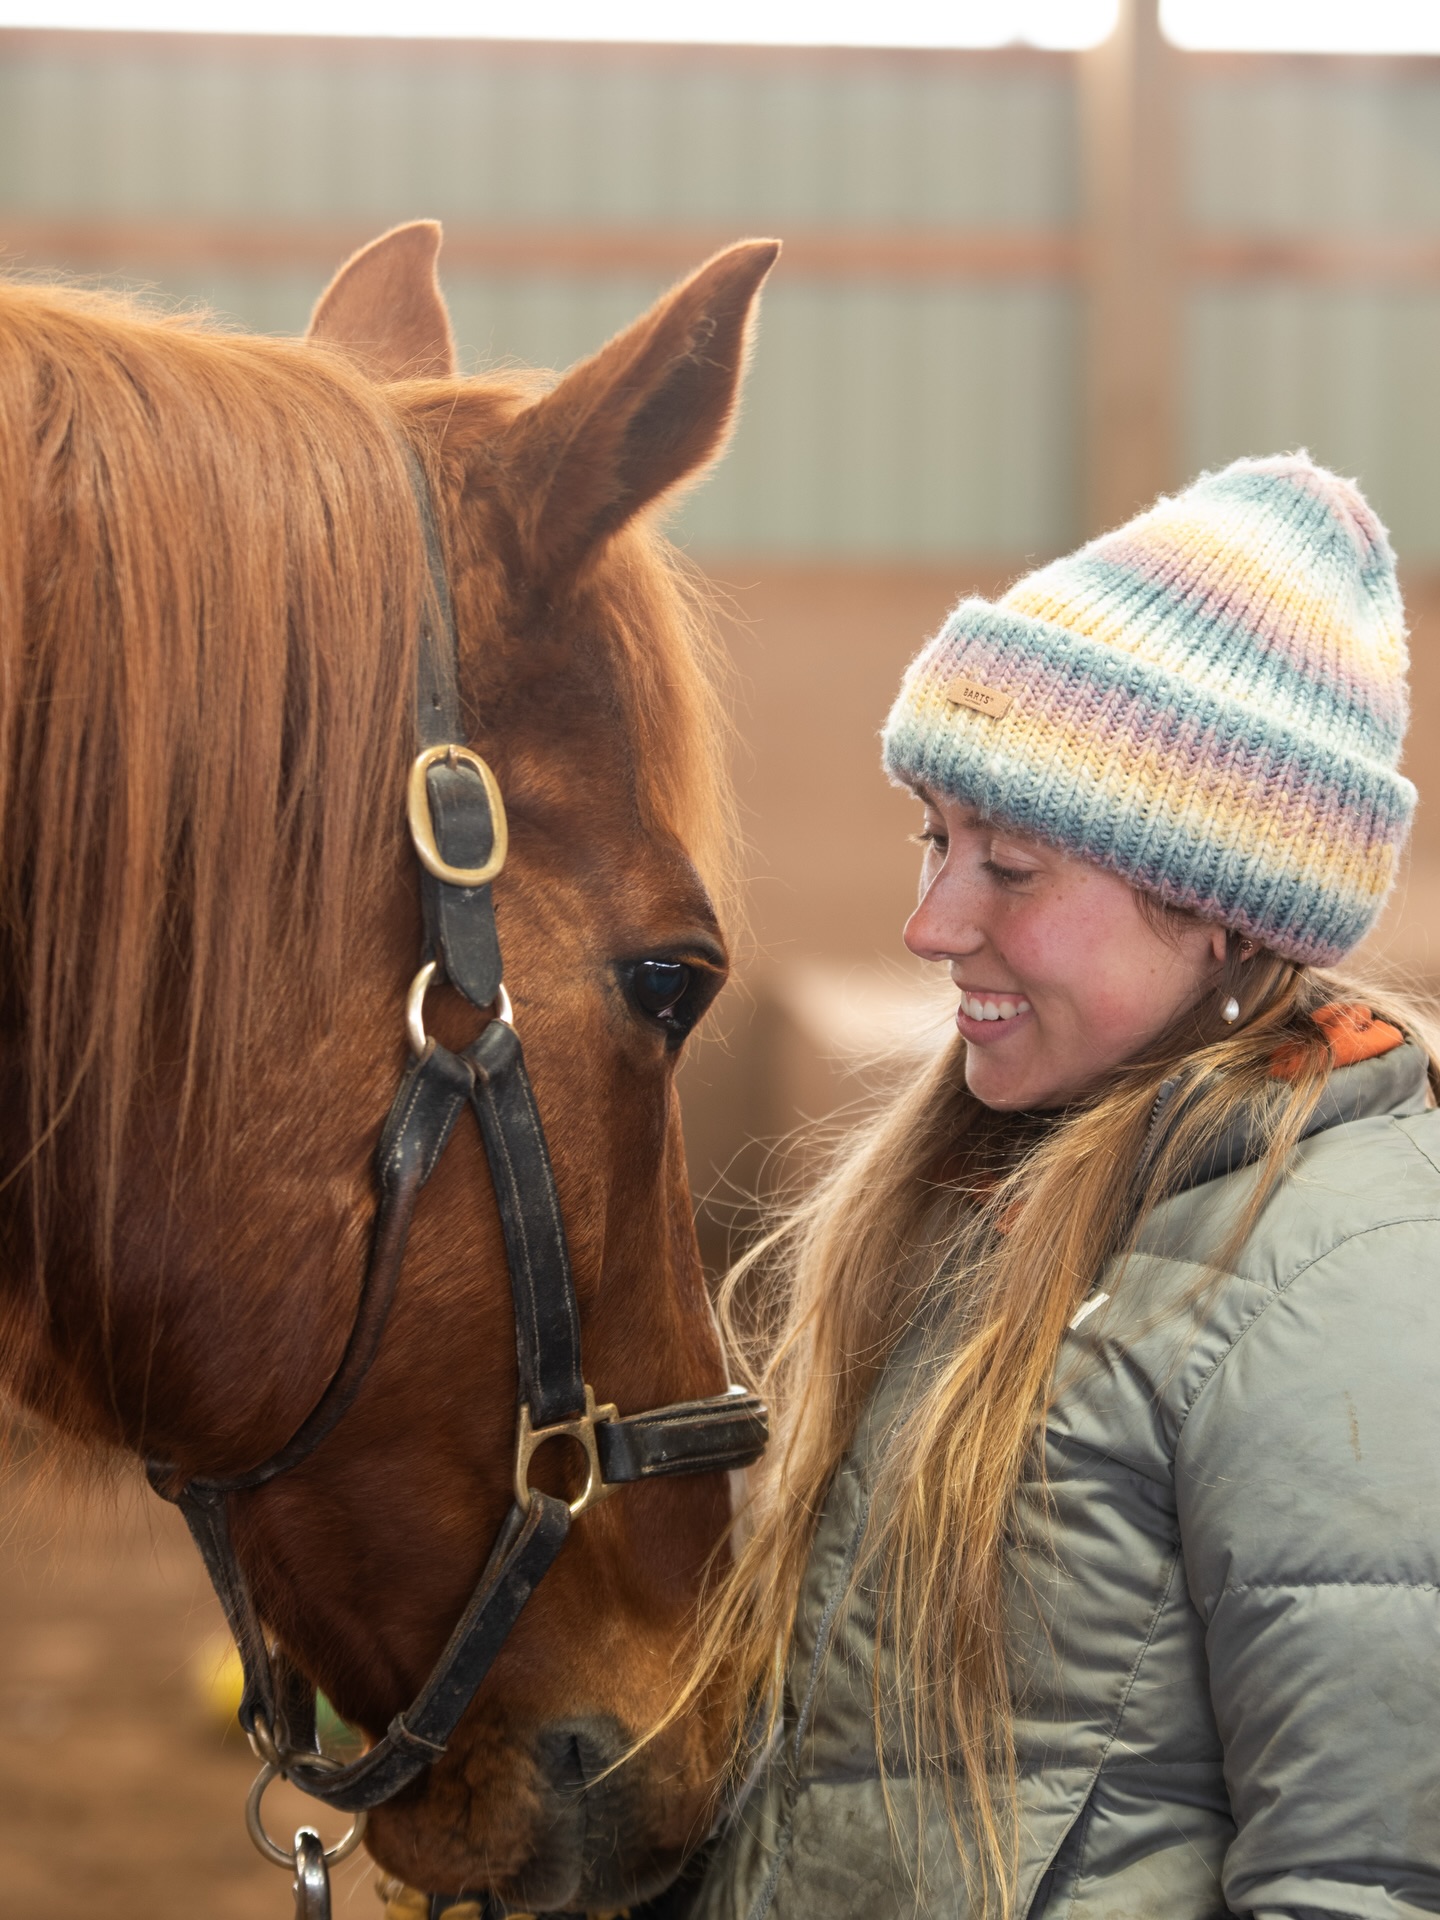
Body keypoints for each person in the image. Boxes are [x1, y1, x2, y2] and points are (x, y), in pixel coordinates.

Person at [676, 454, 1440, 1919]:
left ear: (1220, 908)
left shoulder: (1343, 1279)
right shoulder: (1003, 1210)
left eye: (1009, 867)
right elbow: (852, 1792)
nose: (927, 921)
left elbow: (1374, 1877)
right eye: (935, 841)